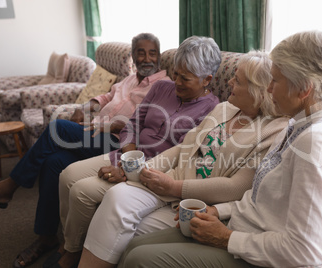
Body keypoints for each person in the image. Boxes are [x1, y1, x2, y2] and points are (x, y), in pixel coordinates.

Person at [117, 30, 322, 268]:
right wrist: (217, 211)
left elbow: (305, 250)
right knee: (133, 247)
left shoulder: (316, 143)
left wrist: (225, 238)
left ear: (304, 88)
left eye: (275, 80)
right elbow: (261, 201)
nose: (270, 89)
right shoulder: (299, 122)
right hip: (240, 228)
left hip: (260, 255)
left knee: (139, 259)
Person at [74, 50, 289, 268]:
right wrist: (144, 171)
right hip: (171, 179)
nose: (231, 82)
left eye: (238, 80)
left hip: (196, 201)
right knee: (116, 196)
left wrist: (174, 187)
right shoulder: (224, 109)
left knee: (130, 233)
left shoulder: (273, 131)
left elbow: (236, 187)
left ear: (258, 90)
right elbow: (182, 148)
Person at [0, 33, 171, 268]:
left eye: (152, 53)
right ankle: (46, 237)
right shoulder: (128, 80)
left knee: (58, 127)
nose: (147, 58)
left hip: (118, 143)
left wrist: (111, 125)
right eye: (141, 52)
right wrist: (87, 106)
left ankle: (8, 187)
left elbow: (149, 125)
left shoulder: (162, 86)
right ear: (133, 56)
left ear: (159, 57)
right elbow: (106, 96)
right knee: (53, 161)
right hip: (96, 134)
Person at [43, 35, 222, 268]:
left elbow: (182, 158)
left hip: (153, 172)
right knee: (67, 174)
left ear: (207, 79)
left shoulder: (213, 111)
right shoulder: (161, 87)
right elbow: (132, 125)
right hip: (127, 155)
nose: (176, 81)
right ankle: (70, 245)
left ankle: (72, 251)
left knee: (80, 191)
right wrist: (127, 158)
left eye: (185, 78)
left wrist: (130, 172)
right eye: (175, 73)